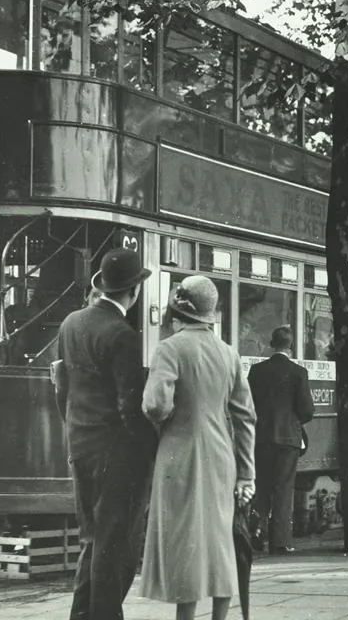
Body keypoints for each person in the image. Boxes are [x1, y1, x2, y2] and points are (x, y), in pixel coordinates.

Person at [138, 275, 257, 620]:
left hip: (179, 455)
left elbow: (154, 405)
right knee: (219, 543)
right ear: (210, 314)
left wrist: (169, 417)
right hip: (221, 458)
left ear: (178, 312)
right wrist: (246, 475)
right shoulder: (228, 353)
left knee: (184, 545)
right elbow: (246, 417)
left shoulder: (170, 348)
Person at [52, 248, 157, 620]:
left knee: (92, 540)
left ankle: (82, 616)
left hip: (79, 446)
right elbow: (131, 409)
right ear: (134, 291)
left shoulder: (70, 324)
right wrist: (151, 449)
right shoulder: (122, 335)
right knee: (114, 546)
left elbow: (61, 387)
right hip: (115, 453)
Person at [246, 325, 313, 555]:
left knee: (261, 486)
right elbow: (307, 410)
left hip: (261, 437)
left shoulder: (256, 371)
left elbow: (248, 405)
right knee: (284, 489)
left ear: (271, 344)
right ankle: (280, 542)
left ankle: (255, 533)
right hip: (287, 439)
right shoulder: (298, 372)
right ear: (291, 347)